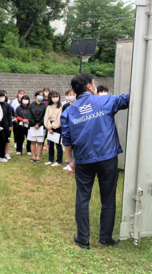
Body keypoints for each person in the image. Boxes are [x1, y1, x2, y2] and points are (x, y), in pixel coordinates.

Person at [61, 73, 129, 249]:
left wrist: (70, 161)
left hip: (83, 160)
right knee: (108, 197)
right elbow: (128, 99)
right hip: (107, 157)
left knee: (82, 197)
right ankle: (105, 238)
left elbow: (66, 139)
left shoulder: (69, 111)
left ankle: (83, 238)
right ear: (90, 86)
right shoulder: (105, 101)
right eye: (94, 83)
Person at [44, 91, 63, 167]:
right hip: (49, 126)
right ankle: (50, 160)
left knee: (58, 145)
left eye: (57, 96)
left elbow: (59, 118)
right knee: (50, 144)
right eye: (53, 97)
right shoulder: (49, 107)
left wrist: (52, 127)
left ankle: (58, 161)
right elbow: (46, 117)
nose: (55, 98)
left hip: (57, 126)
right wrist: (48, 126)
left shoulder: (61, 106)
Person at [27, 91, 46, 163]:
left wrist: (40, 124)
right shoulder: (31, 105)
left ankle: (38, 157)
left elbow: (45, 116)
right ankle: (33, 156)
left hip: (41, 127)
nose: (41, 96)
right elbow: (29, 116)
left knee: (39, 142)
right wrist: (34, 123)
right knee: (33, 142)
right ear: (35, 96)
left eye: (42, 95)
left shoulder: (44, 106)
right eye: (39, 95)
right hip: (32, 126)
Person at [62, 89, 77, 172]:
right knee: (68, 146)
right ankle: (70, 163)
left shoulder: (78, 104)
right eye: (70, 94)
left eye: (73, 94)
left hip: (76, 128)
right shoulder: (65, 106)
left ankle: (75, 164)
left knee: (76, 147)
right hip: (68, 128)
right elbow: (63, 117)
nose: (71, 95)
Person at [0, 90, 12, 160]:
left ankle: (6, 153)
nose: (2, 98)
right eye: (0, 96)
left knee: (7, 140)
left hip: (6, 124)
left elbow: (9, 116)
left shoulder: (7, 105)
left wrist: (10, 125)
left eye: (3, 96)